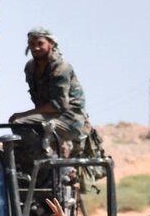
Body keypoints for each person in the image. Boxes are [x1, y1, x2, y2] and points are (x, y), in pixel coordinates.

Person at [9, 27, 90, 164]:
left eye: (40, 43)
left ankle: (46, 159)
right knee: (18, 131)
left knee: (20, 123)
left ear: (51, 44)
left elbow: (58, 105)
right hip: (49, 116)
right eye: (32, 44)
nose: (36, 48)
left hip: (70, 119)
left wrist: (24, 114)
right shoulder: (30, 68)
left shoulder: (61, 68)